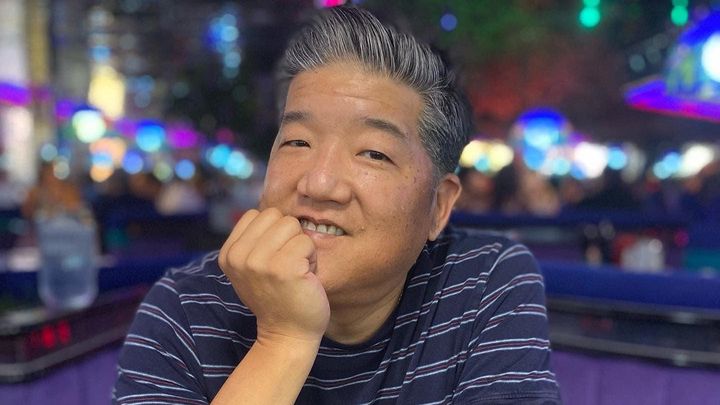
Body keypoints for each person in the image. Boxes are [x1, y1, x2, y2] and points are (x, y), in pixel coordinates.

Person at [113, 6, 561, 404]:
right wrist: (284, 340)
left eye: (374, 153)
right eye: (297, 142)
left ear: (438, 207)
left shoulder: (485, 282)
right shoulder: (184, 311)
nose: (319, 182)